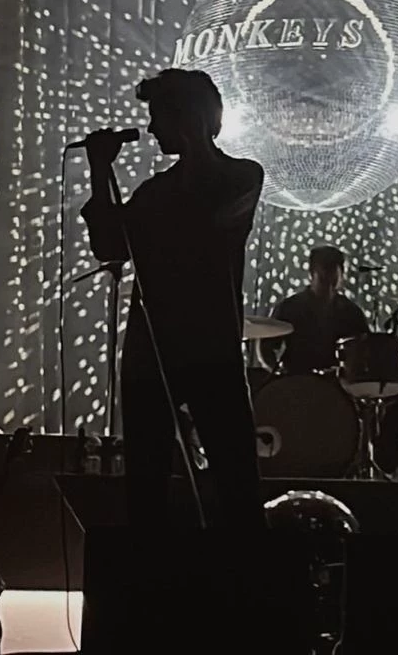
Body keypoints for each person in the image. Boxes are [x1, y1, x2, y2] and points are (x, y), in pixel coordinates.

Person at [80, 68, 265, 533]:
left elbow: (206, 217)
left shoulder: (242, 176)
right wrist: (100, 173)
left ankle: (244, 570)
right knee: (146, 489)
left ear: (188, 118)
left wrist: (193, 142)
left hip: (212, 349)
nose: (150, 129)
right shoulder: (154, 193)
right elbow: (110, 247)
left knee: (237, 484)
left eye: (159, 116)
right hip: (152, 353)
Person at [261, 245, 369, 374]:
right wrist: (279, 374)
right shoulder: (290, 307)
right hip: (297, 379)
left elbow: (365, 349)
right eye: (324, 274)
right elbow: (266, 347)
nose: (328, 280)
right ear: (312, 273)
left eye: (333, 274)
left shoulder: (351, 312)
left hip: (336, 382)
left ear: (341, 275)